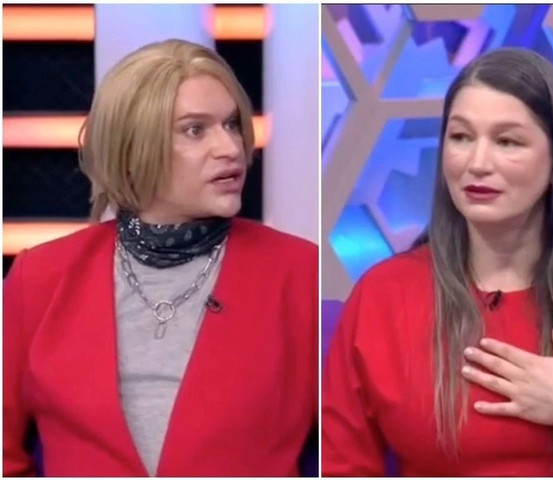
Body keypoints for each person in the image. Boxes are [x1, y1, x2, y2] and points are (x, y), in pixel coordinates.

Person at [4, 39, 318, 477]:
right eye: (195, 130)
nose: (230, 148)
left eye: (231, 124)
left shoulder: (300, 273)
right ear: (133, 149)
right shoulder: (40, 277)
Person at [322, 48, 553, 477]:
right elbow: (343, 465)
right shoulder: (384, 295)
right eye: (461, 137)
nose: (477, 163)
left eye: (507, 141)